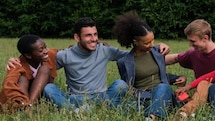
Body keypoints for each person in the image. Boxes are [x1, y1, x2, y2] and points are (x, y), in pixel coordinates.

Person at [34, 17, 168, 111]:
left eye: (95, 34)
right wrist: (16, 61)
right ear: (77, 37)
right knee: (49, 89)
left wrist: (157, 48)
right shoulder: (65, 55)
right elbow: (37, 66)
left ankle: (97, 109)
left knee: (120, 85)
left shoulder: (104, 50)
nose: (94, 39)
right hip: (76, 98)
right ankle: (76, 111)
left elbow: (135, 56)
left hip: (102, 97)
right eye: (88, 36)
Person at [112, 12, 187, 121]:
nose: (152, 44)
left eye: (153, 40)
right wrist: (145, 95)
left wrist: (178, 78)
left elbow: (160, 75)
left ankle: (151, 118)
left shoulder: (157, 52)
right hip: (142, 98)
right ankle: (156, 113)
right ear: (135, 42)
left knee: (162, 87)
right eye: (147, 43)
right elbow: (128, 86)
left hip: (163, 94)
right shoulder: (124, 62)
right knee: (125, 106)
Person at [165, 19, 215, 117]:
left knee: (208, 85)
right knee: (177, 96)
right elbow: (174, 58)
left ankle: (187, 112)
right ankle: (188, 110)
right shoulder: (193, 54)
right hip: (202, 96)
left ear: (205, 38)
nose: (190, 44)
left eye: (193, 41)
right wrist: (153, 58)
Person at [1, 35, 58, 114]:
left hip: (38, 98)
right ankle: (25, 107)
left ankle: (30, 106)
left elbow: (70, 51)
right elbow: (9, 84)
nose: (45, 51)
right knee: (22, 78)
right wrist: (20, 101)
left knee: (45, 69)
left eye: (45, 47)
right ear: (28, 55)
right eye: (41, 50)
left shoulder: (48, 55)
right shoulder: (17, 65)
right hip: (22, 99)